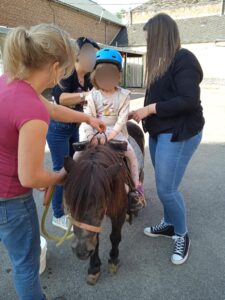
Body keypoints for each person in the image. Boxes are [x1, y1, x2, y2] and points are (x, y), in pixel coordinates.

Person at [0, 24, 105, 300]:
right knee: (26, 265)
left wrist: (87, 118)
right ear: (55, 66)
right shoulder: (32, 109)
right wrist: (59, 176)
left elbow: (53, 108)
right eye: (66, 69)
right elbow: (31, 178)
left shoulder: (9, 81)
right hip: (10, 199)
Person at [131, 13, 205, 265]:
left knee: (167, 188)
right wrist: (137, 112)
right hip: (160, 132)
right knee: (165, 186)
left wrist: (149, 109)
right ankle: (169, 224)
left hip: (180, 132)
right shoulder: (161, 62)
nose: (148, 42)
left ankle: (182, 234)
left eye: (150, 37)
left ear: (160, 35)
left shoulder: (184, 59)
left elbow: (188, 100)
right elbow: (159, 97)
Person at [75, 48, 146, 211]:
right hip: (94, 130)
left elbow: (122, 119)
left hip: (116, 131)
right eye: (102, 76)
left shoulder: (123, 95)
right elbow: (88, 116)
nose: (106, 80)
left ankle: (136, 187)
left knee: (131, 155)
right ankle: (74, 181)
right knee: (77, 154)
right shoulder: (92, 95)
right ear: (95, 77)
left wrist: (112, 135)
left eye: (111, 76)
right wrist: (92, 136)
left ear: (118, 76)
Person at [47, 37, 100, 230]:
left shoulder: (86, 78)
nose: (93, 58)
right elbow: (60, 99)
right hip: (58, 130)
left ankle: (69, 206)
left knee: (74, 167)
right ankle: (57, 214)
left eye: (94, 55)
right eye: (90, 54)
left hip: (74, 128)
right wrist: (87, 96)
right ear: (78, 55)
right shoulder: (67, 74)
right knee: (61, 170)